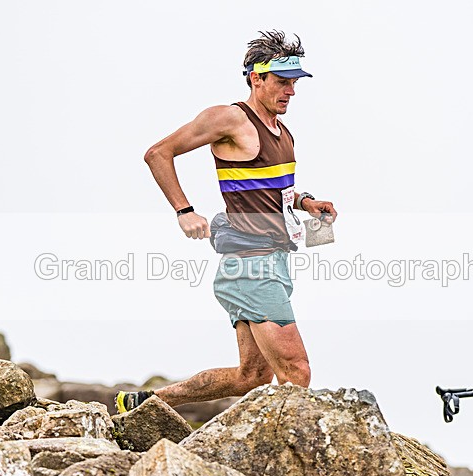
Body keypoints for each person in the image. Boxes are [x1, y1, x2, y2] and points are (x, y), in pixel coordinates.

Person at [116, 30, 336, 412]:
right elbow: (158, 153)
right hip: (252, 266)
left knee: (251, 377)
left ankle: (145, 404)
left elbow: (274, 190)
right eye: (283, 82)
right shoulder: (229, 118)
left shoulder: (283, 133)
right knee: (297, 372)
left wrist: (306, 202)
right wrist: (184, 211)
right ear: (257, 78)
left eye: (295, 83)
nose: (291, 92)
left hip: (275, 261)